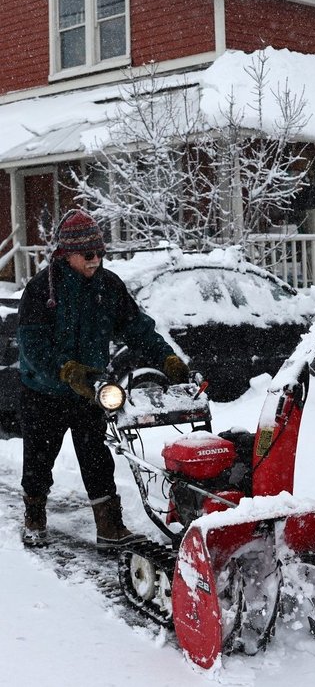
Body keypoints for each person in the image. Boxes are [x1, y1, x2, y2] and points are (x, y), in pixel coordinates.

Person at [17, 209, 189, 550]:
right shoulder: (41, 290)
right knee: (38, 461)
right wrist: (66, 370)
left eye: (100, 252)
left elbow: (138, 329)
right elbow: (32, 346)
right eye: (88, 254)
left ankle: (109, 526)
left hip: (90, 391)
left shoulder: (108, 286)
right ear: (67, 254)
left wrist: (167, 358)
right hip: (44, 392)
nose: (96, 260)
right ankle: (34, 517)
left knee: (97, 459)